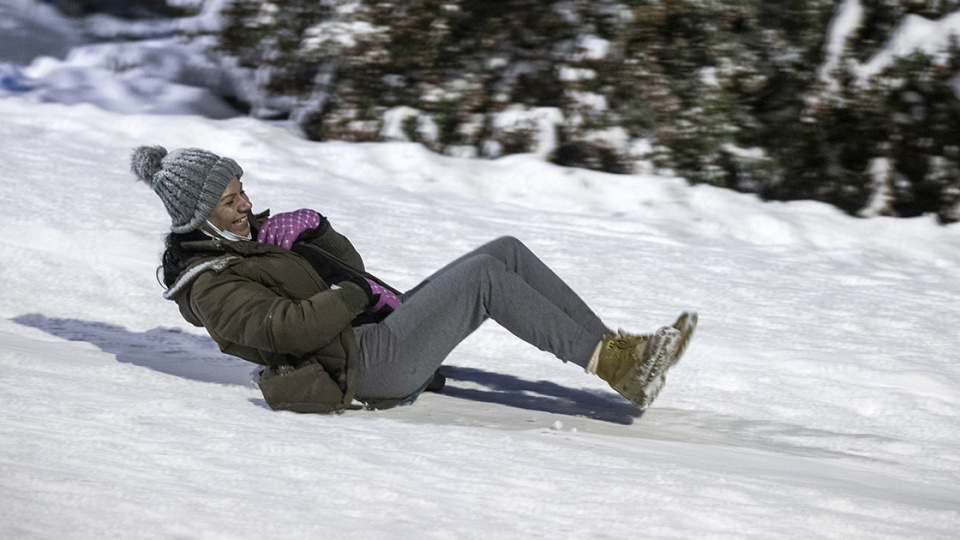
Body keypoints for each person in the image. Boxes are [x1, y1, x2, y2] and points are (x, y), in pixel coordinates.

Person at [132, 145, 697, 414]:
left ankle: (620, 353)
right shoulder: (208, 282)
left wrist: (316, 234)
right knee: (484, 279)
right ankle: (620, 367)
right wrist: (346, 296)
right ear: (197, 216)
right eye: (230, 200)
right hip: (359, 365)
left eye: (242, 189)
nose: (245, 204)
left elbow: (352, 266)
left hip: (372, 331)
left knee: (505, 252)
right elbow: (283, 330)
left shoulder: (252, 236)